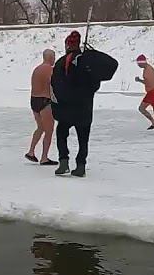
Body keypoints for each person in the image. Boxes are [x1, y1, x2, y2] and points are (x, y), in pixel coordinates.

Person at [51, 30, 106, 178]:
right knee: (83, 138)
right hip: (84, 108)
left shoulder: (60, 63)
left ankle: (63, 160)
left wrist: (60, 102)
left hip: (66, 109)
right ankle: (80, 165)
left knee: (61, 133)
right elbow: (95, 83)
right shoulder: (87, 62)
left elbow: (55, 85)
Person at [26, 49, 57, 165]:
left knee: (40, 127)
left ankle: (31, 151)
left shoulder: (36, 69)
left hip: (34, 100)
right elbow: (53, 85)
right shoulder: (50, 70)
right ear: (50, 57)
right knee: (49, 130)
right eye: (54, 57)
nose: (54, 59)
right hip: (45, 101)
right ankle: (44, 157)